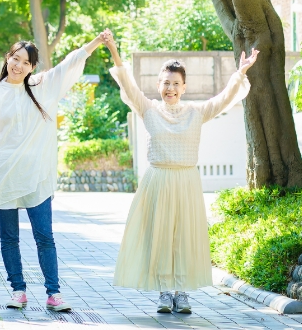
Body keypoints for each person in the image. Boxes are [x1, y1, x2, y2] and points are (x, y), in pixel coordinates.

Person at [0, 31, 110, 312]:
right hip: (3, 175)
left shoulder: (41, 86)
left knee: (44, 236)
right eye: (14, 58)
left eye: (25, 61)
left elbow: (69, 64)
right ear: (7, 58)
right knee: (9, 238)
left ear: (33, 66)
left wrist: (96, 42)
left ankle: (53, 293)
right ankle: (18, 290)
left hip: (36, 174)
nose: (18, 65)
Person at [103, 32, 257, 313]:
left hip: (186, 180)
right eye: (166, 83)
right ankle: (164, 292)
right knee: (160, 235)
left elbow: (224, 99)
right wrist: (113, 48)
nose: (170, 88)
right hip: (158, 180)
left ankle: (182, 293)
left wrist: (240, 72)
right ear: (158, 85)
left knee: (184, 236)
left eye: (176, 83)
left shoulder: (196, 112)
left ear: (184, 87)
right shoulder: (147, 108)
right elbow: (127, 81)